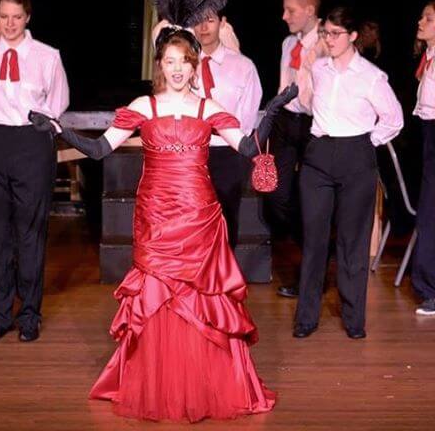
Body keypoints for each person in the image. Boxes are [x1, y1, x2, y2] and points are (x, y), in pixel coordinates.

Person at [30, 27, 297, 421]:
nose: (176, 69)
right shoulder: (144, 106)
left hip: (198, 215)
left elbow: (246, 147)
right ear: (159, 65)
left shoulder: (207, 107)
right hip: (156, 216)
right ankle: (158, 383)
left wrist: (272, 111)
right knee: (157, 295)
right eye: (169, 61)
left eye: (184, 62)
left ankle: (204, 384)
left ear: (194, 66)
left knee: (200, 295)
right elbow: (101, 149)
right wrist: (59, 130)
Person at [293, 6, 403, 340]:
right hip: (318, 155)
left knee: (352, 242)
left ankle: (354, 320)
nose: (328, 39)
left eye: (335, 34)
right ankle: (306, 318)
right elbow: (308, 105)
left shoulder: (371, 76)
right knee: (313, 239)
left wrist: (366, 142)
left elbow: (394, 119)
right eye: (325, 33)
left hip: (356, 155)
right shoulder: (319, 68)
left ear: (352, 36)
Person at [0, 0, 69, 342]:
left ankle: (28, 316)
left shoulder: (47, 57)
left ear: (27, 18)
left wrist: (38, 129)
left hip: (31, 141)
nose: (10, 24)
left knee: (30, 230)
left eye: (17, 17)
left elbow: (57, 102)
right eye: (4, 17)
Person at [263, 0, 327, 298]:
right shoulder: (289, 43)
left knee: (312, 200)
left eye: (291, 10)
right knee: (276, 195)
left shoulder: (329, 41)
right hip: (287, 121)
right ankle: (314, 246)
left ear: (310, 11)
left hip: (315, 124)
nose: (284, 16)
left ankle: (312, 275)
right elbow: (284, 85)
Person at [193, 10, 262, 249]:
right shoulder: (184, 63)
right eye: (197, 21)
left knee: (226, 217)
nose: (203, 27)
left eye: (210, 20)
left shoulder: (242, 65)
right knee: (193, 218)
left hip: (227, 150)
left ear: (222, 23)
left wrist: (233, 140)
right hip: (192, 151)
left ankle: (224, 268)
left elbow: (249, 112)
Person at [411, 0, 435, 316]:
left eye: (428, 18)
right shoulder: (428, 57)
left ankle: (430, 289)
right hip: (428, 132)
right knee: (428, 212)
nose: (421, 21)